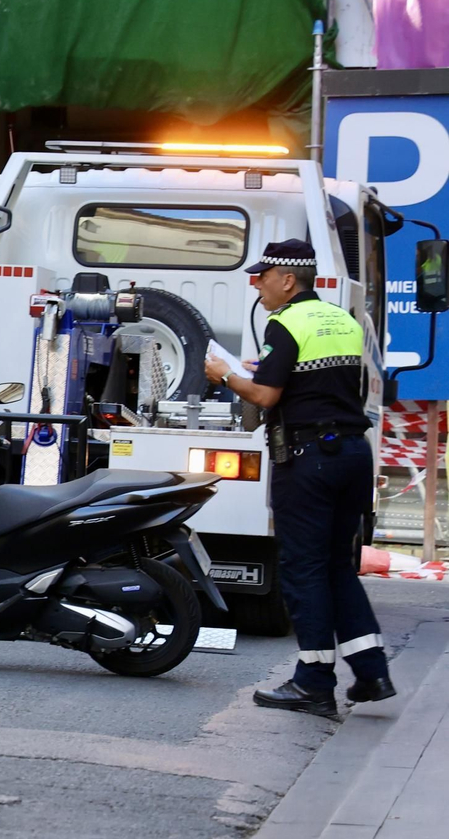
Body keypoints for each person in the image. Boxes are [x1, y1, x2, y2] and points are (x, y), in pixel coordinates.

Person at [204, 239, 393, 717]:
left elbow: (266, 397)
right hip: (352, 453)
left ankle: (312, 682)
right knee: (335, 566)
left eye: (262, 275)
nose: (257, 283)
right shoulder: (342, 321)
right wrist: (264, 370)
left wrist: (226, 374)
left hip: (309, 458)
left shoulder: (284, 322)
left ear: (288, 280)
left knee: (303, 569)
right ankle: (371, 674)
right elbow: (317, 382)